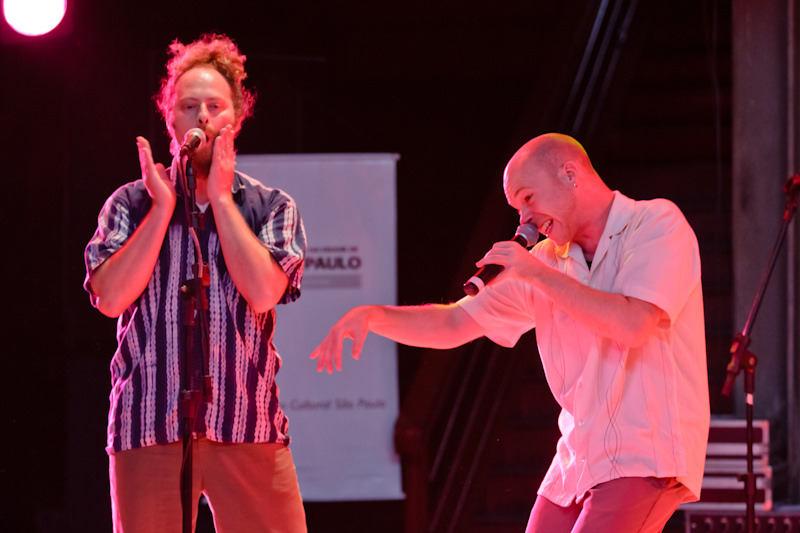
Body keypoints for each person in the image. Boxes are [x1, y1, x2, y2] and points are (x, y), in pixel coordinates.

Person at [310, 133, 709, 532]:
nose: (524, 219)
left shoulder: (654, 224)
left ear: (570, 174)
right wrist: (373, 317)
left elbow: (635, 324)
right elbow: (455, 322)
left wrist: (535, 274)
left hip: (644, 453)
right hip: (579, 457)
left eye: (528, 199)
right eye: (518, 209)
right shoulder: (546, 261)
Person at [83, 33, 307, 533]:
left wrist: (223, 201)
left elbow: (264, 292)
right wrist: (163, 208)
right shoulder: (131, 203)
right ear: (170, 119)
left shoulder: (270, 206)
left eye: (214, 106)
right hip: (149, 426)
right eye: (188, 106)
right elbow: (110, 297)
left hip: (247, 427)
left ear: (236, 118)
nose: (201, 117)